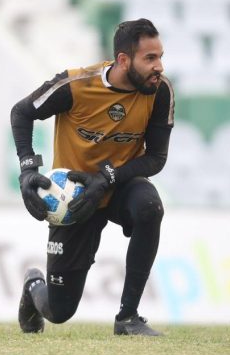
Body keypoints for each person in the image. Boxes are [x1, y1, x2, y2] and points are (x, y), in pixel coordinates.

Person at [10, 18, 174, 336]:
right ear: (123, 60)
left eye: (160, 57)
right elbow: (21, 112)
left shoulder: (160, 91)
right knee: (59, 311)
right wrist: (28, 169)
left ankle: (128, 317)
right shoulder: (76, 84)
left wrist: (107, 178)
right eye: (150, 58)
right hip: (73, 199)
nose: (159, 67)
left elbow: (156, 158)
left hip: (119, 185)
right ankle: (33, 284)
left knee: (149, 207)